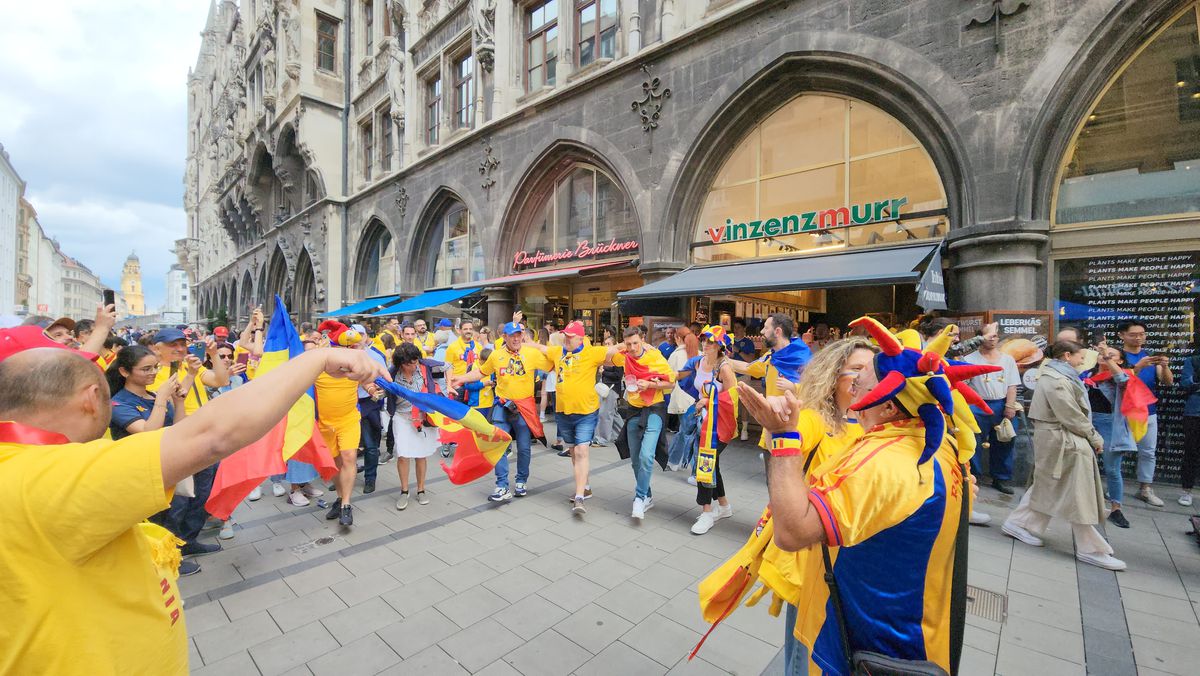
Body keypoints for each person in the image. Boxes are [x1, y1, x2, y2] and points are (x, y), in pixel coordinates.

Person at [0, 341, 386, 674]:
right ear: (90, 399)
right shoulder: (40, 479)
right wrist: (318, 358)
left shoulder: (22, 465)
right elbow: (213, 435)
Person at [738, 316, 967, 674]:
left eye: (864, 380)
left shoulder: (883, 461)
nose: (857, 387)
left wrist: (782, 437)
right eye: (854, 376)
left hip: (862, 638)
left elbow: (793, 531)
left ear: (889, 406)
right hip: (906, 630)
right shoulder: (938, 447)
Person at [1002, 341, 1125, 570]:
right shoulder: (1057, 379)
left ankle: (1018, 523)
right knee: (1077, 492)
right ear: (1067, 356)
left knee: (1050, 485)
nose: (1083, 360)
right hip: (1062, 439)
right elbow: (1071, 415)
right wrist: (1094, 437)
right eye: (1080, 356)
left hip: (1062, 438)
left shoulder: (1060, 376)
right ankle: (1090, 548)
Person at [450, 319, 553, 501]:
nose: (516, 339)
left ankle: (521, 481)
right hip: (502, 405)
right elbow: (481, 372)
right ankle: (502, 485)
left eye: (518, 335)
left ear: (522, 335)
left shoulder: (531, 353)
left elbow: (553, 363)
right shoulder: (496, 355)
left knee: (524, 447)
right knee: (498, 445)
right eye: (512, 336)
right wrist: (462, 379)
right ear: (504, 337)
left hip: (524, 408)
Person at [527, 320, 620, 514]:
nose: (567, 339)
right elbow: (542, 348)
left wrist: (638, 345)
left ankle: (579, 497)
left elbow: (614, 349)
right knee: (573, 452)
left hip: (586, 412)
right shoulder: (558, 352)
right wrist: (525, 342)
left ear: (580, 339)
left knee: (581, 451)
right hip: (563, 412)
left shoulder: (591, 352)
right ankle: (585, 486)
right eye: (565, 336)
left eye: (570, 337)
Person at [678, 326, 739, 535]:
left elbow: (733, 397)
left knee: (704, 463)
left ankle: (706, 512)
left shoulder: (724, 368)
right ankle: (723, 505)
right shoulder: (698, 362)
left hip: (718, 426)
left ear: (720, 346)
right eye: (704, 340)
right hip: (701, 422)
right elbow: (680, 376)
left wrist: (708, 400)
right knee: (712, 464)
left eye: (711, 342)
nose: (705, 344)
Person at [612, 326, 676, 519]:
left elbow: (671, 382)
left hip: (654, 408)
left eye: (635, 343)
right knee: (635, 460)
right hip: (633, 410)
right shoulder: (624, 356)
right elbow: (607, 354)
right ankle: (647, 495)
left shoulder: (655, 357)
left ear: (642, 340)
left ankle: (639, 498)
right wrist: (620, 346)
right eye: (628, 344)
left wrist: (650, 384)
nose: (632, 348)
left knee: (647, 455)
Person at [728, 313, 812, 446]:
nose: (762, 331)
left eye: (766, 328)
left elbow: (816, 389)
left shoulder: (803, 358)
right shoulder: (771, 357)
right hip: (771, 427)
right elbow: (747, 367)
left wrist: (794, 387)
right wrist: (721, 360)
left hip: (795, 429)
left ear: (777, 331)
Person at [314, 321, 367, 526]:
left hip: (349, 420)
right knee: (335, 464)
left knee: (349, 457)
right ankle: (339, 497)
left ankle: (346, 505)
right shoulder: (319, 366)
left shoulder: (355, 365)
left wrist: (372, 389)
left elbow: (367, 381)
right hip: (325, 424)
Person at [1116, 320, 1172, 507]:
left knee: (1148, 452)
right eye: (1133, 334)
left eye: (1141, 334)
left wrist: (1164, 366)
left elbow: (1168, 382)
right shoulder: (1117, 356)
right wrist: (1138, 366)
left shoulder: (1150, 356)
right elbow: (1119, 381)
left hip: (1149, 411)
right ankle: (1115, 487)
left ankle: (1145, 489)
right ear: (1122, 335)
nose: (1138, 338)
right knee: (1119, 451)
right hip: (1124, 412)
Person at [962, 323, 1021, 495]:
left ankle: (1000, 477)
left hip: (1001, 404)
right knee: (974, 441)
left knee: (1005, 441)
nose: (992, 339)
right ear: (980, 338)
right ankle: (974, 476)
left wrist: (1010, 405)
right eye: (988, 336)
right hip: (977, 405)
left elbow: (1012, 385)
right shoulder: (969, 360)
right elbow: (964, 384)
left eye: (995, 336)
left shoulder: (1007, 360)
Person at [1086, 345, 1138, 528]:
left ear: (1120, 361)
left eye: (1111, 355)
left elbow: (1122, 379)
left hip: (1110, 424)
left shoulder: (1120, 376)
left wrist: (1107, 359)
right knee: (1083, 465)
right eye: (1102, 353)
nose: (1104, 356)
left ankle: (1116, 509)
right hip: (1086, 422)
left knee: (1112, 469)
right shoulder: (1087, 374)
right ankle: (1084, 504)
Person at [389, 343, 439, 509]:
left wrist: (450, 384)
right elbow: (383, 389)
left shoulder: (424, 368)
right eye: (410, 363)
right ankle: (404, 491)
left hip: (421, 417)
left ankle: (421, 489)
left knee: (421, 454)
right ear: (401, 364)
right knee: (403, 454)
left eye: (416, 361)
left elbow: (448, 366)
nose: (414, 365)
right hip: (402, 417)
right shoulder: (392, 374)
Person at [356, 324, 389, 494]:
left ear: (366, 336)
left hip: (368, 403)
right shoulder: (341, 354)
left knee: (370, 445)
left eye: (360, 335)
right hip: (347, 404)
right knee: (346, 447)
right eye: (353, 335)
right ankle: (344, 476)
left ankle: (370, 478)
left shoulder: (375, 356)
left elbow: (384, 380)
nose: (356, 339)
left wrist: (377, 391)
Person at [1181, 348, 1200, 507]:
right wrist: (1196, 379)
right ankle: (1187, 490)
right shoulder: (1193, 360)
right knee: (1191, 452)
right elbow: (1185, 384)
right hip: (1194, 413)